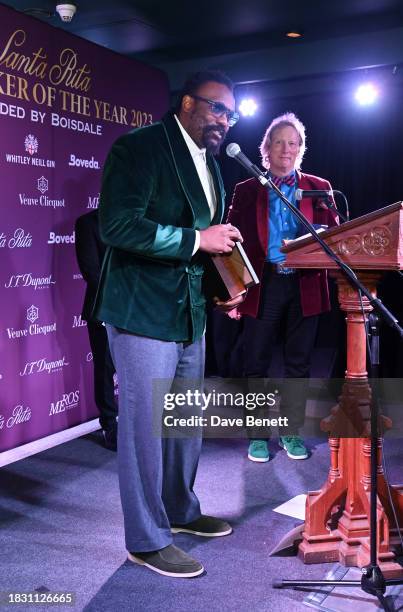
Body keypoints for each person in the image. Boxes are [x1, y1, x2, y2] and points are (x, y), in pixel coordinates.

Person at [94, 71, 243, 578]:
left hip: (190, 312)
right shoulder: (138, 148)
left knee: (183, 422)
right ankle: (146, 539)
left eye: (231, 114)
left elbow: (206, 237)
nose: (225, 120)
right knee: (145, 430)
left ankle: (180, 511)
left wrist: (222, 286)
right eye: (218, 109)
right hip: (141, 310)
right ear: (187, 103)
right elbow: (116, 224)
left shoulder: (211, 163)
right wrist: (197, 240)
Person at [227, 112, 338, 463]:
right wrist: (233, 290)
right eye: (279, 142)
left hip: (305, 283)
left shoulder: (319, 187)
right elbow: (231, 241)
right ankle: (257, 436)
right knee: (256, 362)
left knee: (299, 364)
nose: (286, 149)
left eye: (292, 143)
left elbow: (336, 233)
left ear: (300, 149)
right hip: (263, 283)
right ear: (266, 148)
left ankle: (291, 432)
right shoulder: (247, 189)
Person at [75, 210, 118, 450]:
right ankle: (109, 425)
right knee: (104, 369)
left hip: (138, 310)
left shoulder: (136, 220)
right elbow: (91, 270)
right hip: (103, 307)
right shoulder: (87, 223)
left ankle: (139, 425)